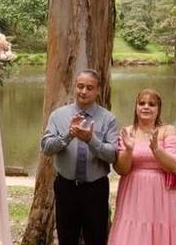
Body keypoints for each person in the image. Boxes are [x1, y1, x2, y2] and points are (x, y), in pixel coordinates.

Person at [41, 69, 119, 245]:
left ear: (98, 90)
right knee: (66, 237)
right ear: (74, 87)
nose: (84, 91)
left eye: (89, 87)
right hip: (66, 187)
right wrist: (68, 136)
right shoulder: (58, 115)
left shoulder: (108, 119)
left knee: (96, 238)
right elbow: (46, 147)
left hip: (95, 189)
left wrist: (91, 139)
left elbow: (113, 155)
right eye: (80, 86)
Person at [109, 89, 176, 245]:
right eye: (142, 103)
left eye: (151, 104)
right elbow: (121, 170)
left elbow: (174, 165)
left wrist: (156, 149)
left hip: (161, 194)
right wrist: (129, 149)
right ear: (136, 107)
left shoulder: (167, 131)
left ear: (158, 109)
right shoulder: (127, 132)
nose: (146, 107)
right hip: (132, 193)